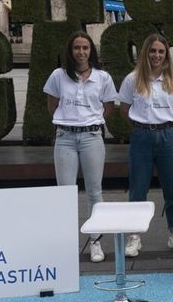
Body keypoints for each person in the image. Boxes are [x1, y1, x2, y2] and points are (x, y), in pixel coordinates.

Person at [43, 31, 118, 263]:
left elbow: (108, 106)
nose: (81, 52)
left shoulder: (103, 77)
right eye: (77, 48)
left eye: (85, 48)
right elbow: (52, 106)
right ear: (70, 51)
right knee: (65, 192)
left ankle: (95, 242)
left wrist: (89, 120)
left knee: (95, 192)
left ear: (91, 51)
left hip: (91, 137)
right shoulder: (58, 76)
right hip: (65, 137)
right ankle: (66, 243)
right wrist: (71, 119)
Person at [119, 33, 173, 256]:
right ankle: (134, 237)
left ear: (166, 54)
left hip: (168, 136)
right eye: (152, 51)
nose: (156, 55)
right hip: (142, 137)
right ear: (145, 53)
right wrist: (144, 126)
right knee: (138, 188)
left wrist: (164, 124)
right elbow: (124, 110)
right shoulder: (133, 79)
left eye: (161, 51)